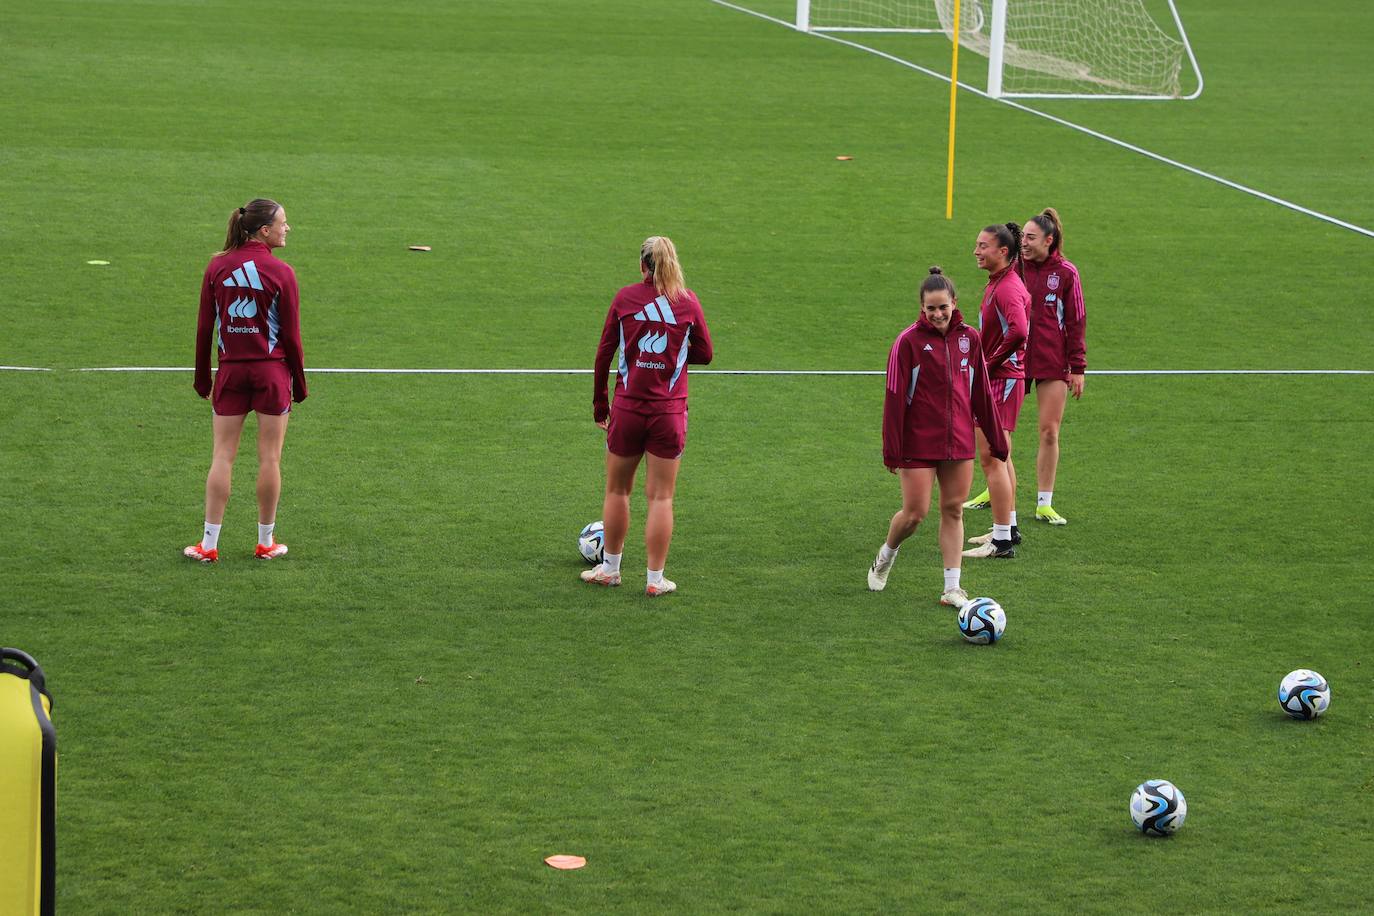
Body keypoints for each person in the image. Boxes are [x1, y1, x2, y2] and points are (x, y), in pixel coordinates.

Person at [868, 267, 1008, 608]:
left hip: (958, 442)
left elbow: (982, 395)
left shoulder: (970, 339)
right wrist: (892, 450)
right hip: (918, 443)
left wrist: (996, 439)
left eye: (942, 307)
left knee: (953, 510)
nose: (937, 314)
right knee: (915, 514)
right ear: (922, 307)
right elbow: (894, 398)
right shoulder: (908, 343)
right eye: (930, 308)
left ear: (954, 303)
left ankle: (952, 587)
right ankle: (887, 554)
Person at [583, 236, 714, 596]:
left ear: (642, 265)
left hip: (627, 409)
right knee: (660, 498)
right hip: (668, 414)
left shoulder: (625, 299)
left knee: (617, 490)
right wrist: (675, 353)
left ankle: (609, 569)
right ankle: (655, 580)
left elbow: (603, 355)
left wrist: (600, 405)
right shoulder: (687, 302)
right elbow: (705, 352)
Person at [184, 199, 306, 563]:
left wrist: (202, 378)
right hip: (271, 374)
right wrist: (299, 383)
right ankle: (266, 542)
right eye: (283, 223)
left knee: (222, 456)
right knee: (270, 458)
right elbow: (292, 336)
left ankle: (208, 544)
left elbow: (206, 327)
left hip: (231, 373)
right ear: (264, 230)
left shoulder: (217, 266)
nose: (288, 228)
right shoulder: (282, 272)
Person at [962, 223, 1031, 559]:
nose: (976, 251)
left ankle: (1001, 542)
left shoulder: (1006, 289)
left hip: (1001, 380)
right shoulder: (1000, 283)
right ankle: (1009, 527)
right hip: (1003, 378)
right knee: (1002, 456)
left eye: (983, 246)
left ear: (1003, 251)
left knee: (992, 458)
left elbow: (1019, 331)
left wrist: (988, 364)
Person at [1018, 207, 1086, 525]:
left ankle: (1044, 502)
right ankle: (994, 488)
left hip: (1051, 361)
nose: (1025, 243)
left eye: (1031, 238)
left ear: (1049, 240)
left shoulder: (1066, 273)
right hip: (1013, 359)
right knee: (996, 428)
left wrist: (1077, 367)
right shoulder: (1014, 266)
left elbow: (1076, 321)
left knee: (1049, 431)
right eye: (1021, 237)